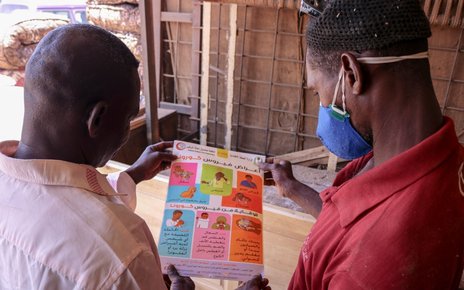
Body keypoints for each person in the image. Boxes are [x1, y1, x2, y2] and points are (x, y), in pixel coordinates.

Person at [0, 24, 270, 290]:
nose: (127, 129)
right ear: (97, 119)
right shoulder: (121, 258)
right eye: (129, 117)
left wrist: (132, 175)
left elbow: (62, 206)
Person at [259, 0, 464, 289]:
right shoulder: (436, 159)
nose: (323, 104)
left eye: (318, 90)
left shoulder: (370, 271)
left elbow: (366, 245)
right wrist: (292, 189)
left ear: (352, 74)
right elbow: (351, 230)